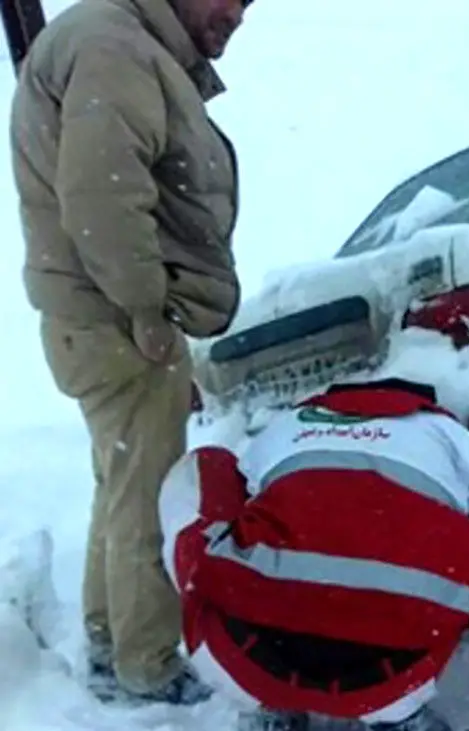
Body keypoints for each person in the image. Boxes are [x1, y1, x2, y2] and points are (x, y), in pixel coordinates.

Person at [9, 0, 252, 705]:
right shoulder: (115, 47)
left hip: (98, 315)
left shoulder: (118, 41)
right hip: (115, 317)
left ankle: (110, 642)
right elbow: (101, 200)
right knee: (146, 492)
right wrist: (149, 313)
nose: (238, 12)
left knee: (123, 481)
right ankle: (147, 662)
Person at [158, 378, 469, 731]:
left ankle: (264, 706)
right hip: (397, 669)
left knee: (208, 467)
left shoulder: (284, 428)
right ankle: (399, 717)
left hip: (250, 656)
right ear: (422, 406)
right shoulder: (458, 440)